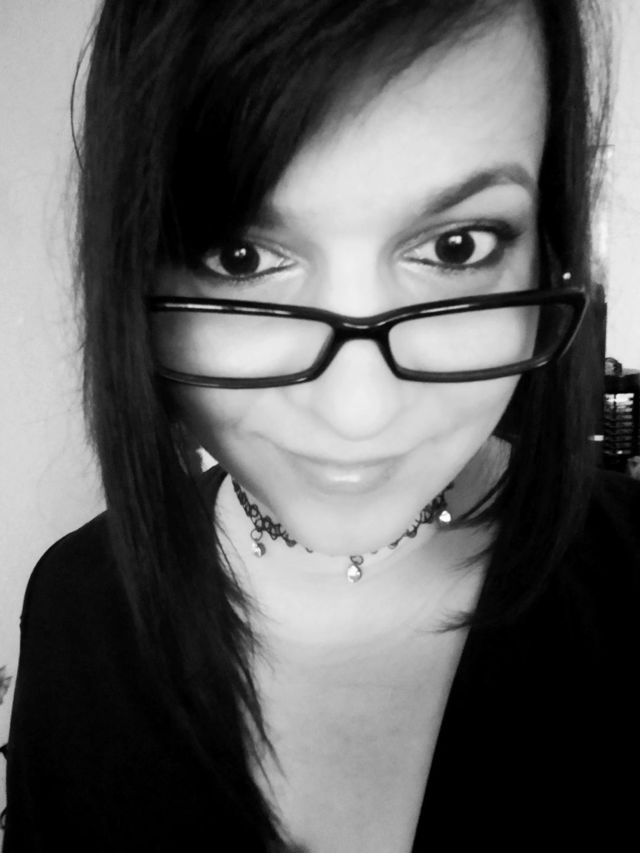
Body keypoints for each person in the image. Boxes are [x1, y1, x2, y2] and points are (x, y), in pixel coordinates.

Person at [5, 0, 639, 850]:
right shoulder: (79, 611)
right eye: (242, 257)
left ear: (548, 248)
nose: (358, 411)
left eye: (456, 247)